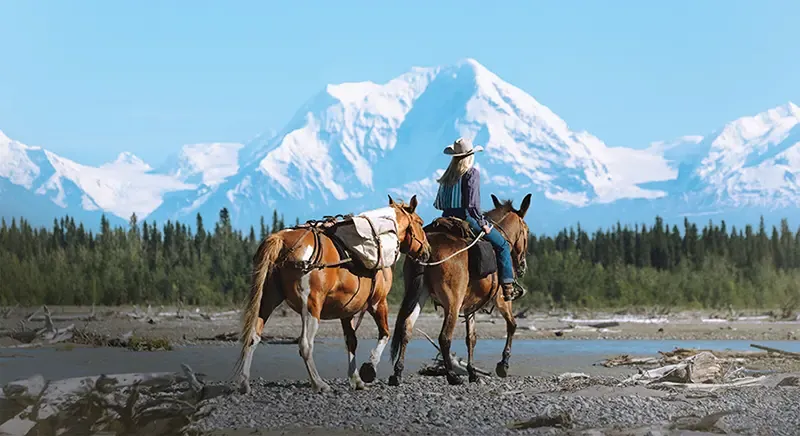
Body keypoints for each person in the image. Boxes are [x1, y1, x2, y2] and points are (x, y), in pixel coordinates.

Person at [433, 137, 525, 301]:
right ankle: (508, 288)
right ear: (470, 156)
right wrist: (484, 225)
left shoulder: (446, 176)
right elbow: (472, 207)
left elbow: (438, 204)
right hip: (466, 219)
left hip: (445, 218)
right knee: (503, 245)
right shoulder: (471, 174)